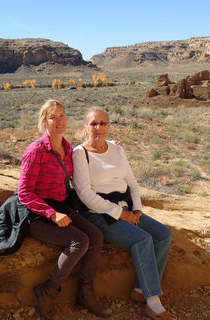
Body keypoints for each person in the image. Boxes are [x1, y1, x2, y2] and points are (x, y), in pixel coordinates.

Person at [72, 106, 174, 320]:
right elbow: (85, 194)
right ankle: (153, 302)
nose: (98, 128)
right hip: (98, 213)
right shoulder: (80, 154)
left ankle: (139, 291)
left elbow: (132, 182)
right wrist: (120, 213)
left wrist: (136, 209)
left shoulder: (116, 149)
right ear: (85, 127)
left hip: (125, 208)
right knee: (143, 239)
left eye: (103, 123)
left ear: (109, 126)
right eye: (93, 124)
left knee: (163, 235)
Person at [18, 100, 112, 319]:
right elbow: (24, 193)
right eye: (53, 117)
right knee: (79, 241)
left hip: (61, 207)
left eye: (62, 116)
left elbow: (90, 153)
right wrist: (52, 213)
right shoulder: (36, 151)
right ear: (44, 122)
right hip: (37, 214)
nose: (60, 121)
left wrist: (111, 148)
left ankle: (85, 293)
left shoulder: (68, 148)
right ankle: (48, 291)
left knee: (96, 237)